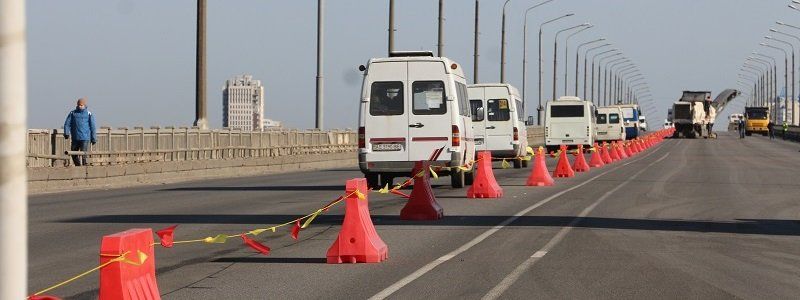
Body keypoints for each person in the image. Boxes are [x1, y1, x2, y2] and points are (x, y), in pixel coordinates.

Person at [63, 97, 97, 166]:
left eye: (81, 105)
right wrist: (66, 133)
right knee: (73, 154)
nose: (80, 106)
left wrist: (93, 138)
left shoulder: (88, 113)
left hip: (85, 138)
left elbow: (92, 126)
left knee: (84, 154)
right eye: (79, 105)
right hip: (75, 137)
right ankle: (78, 166)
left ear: (84, 105)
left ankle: (84, 167)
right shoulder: (73, 113)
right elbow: (67, 123)